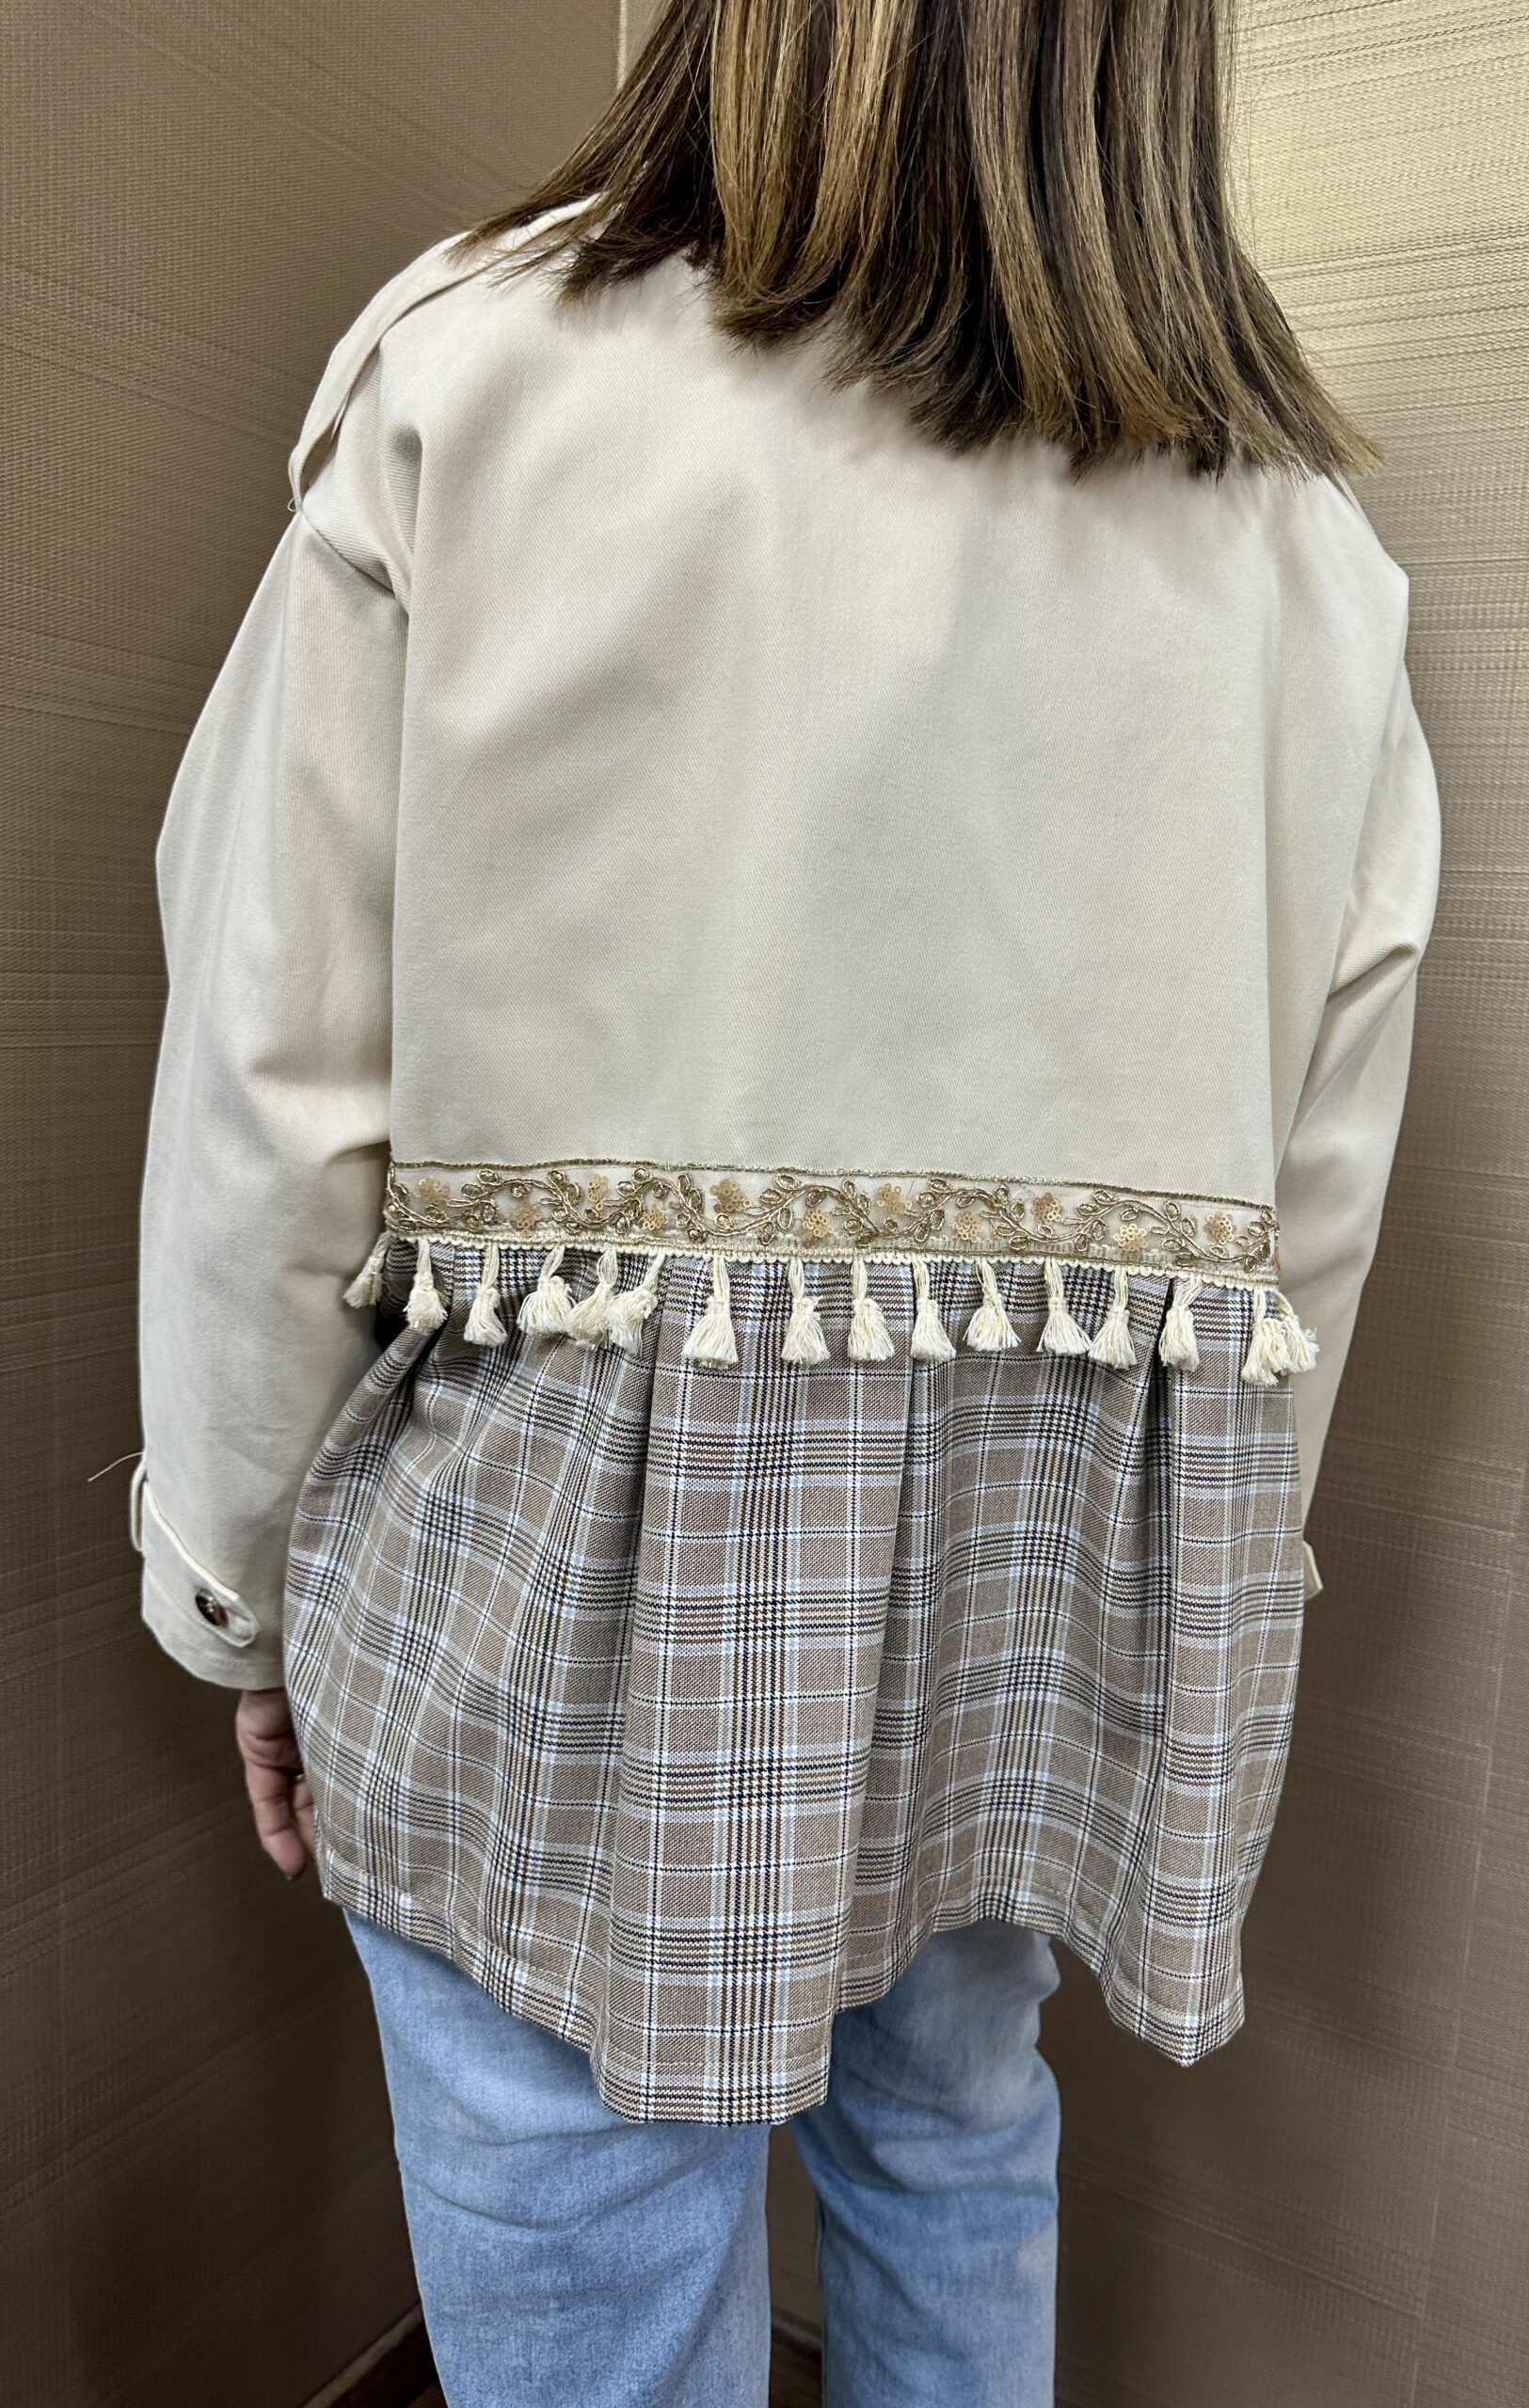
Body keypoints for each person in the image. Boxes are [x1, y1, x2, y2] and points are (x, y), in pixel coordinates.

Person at [130, 0, 1442, 2398]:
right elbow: (1307, 1227)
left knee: (581, 2228)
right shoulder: (1305, 560)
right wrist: (1183, 1588)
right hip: (1014, 1584)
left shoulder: (476, 379)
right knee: (952, 2136)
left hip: (544, 1585)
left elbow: (272, 1069)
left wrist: (238, 1587)